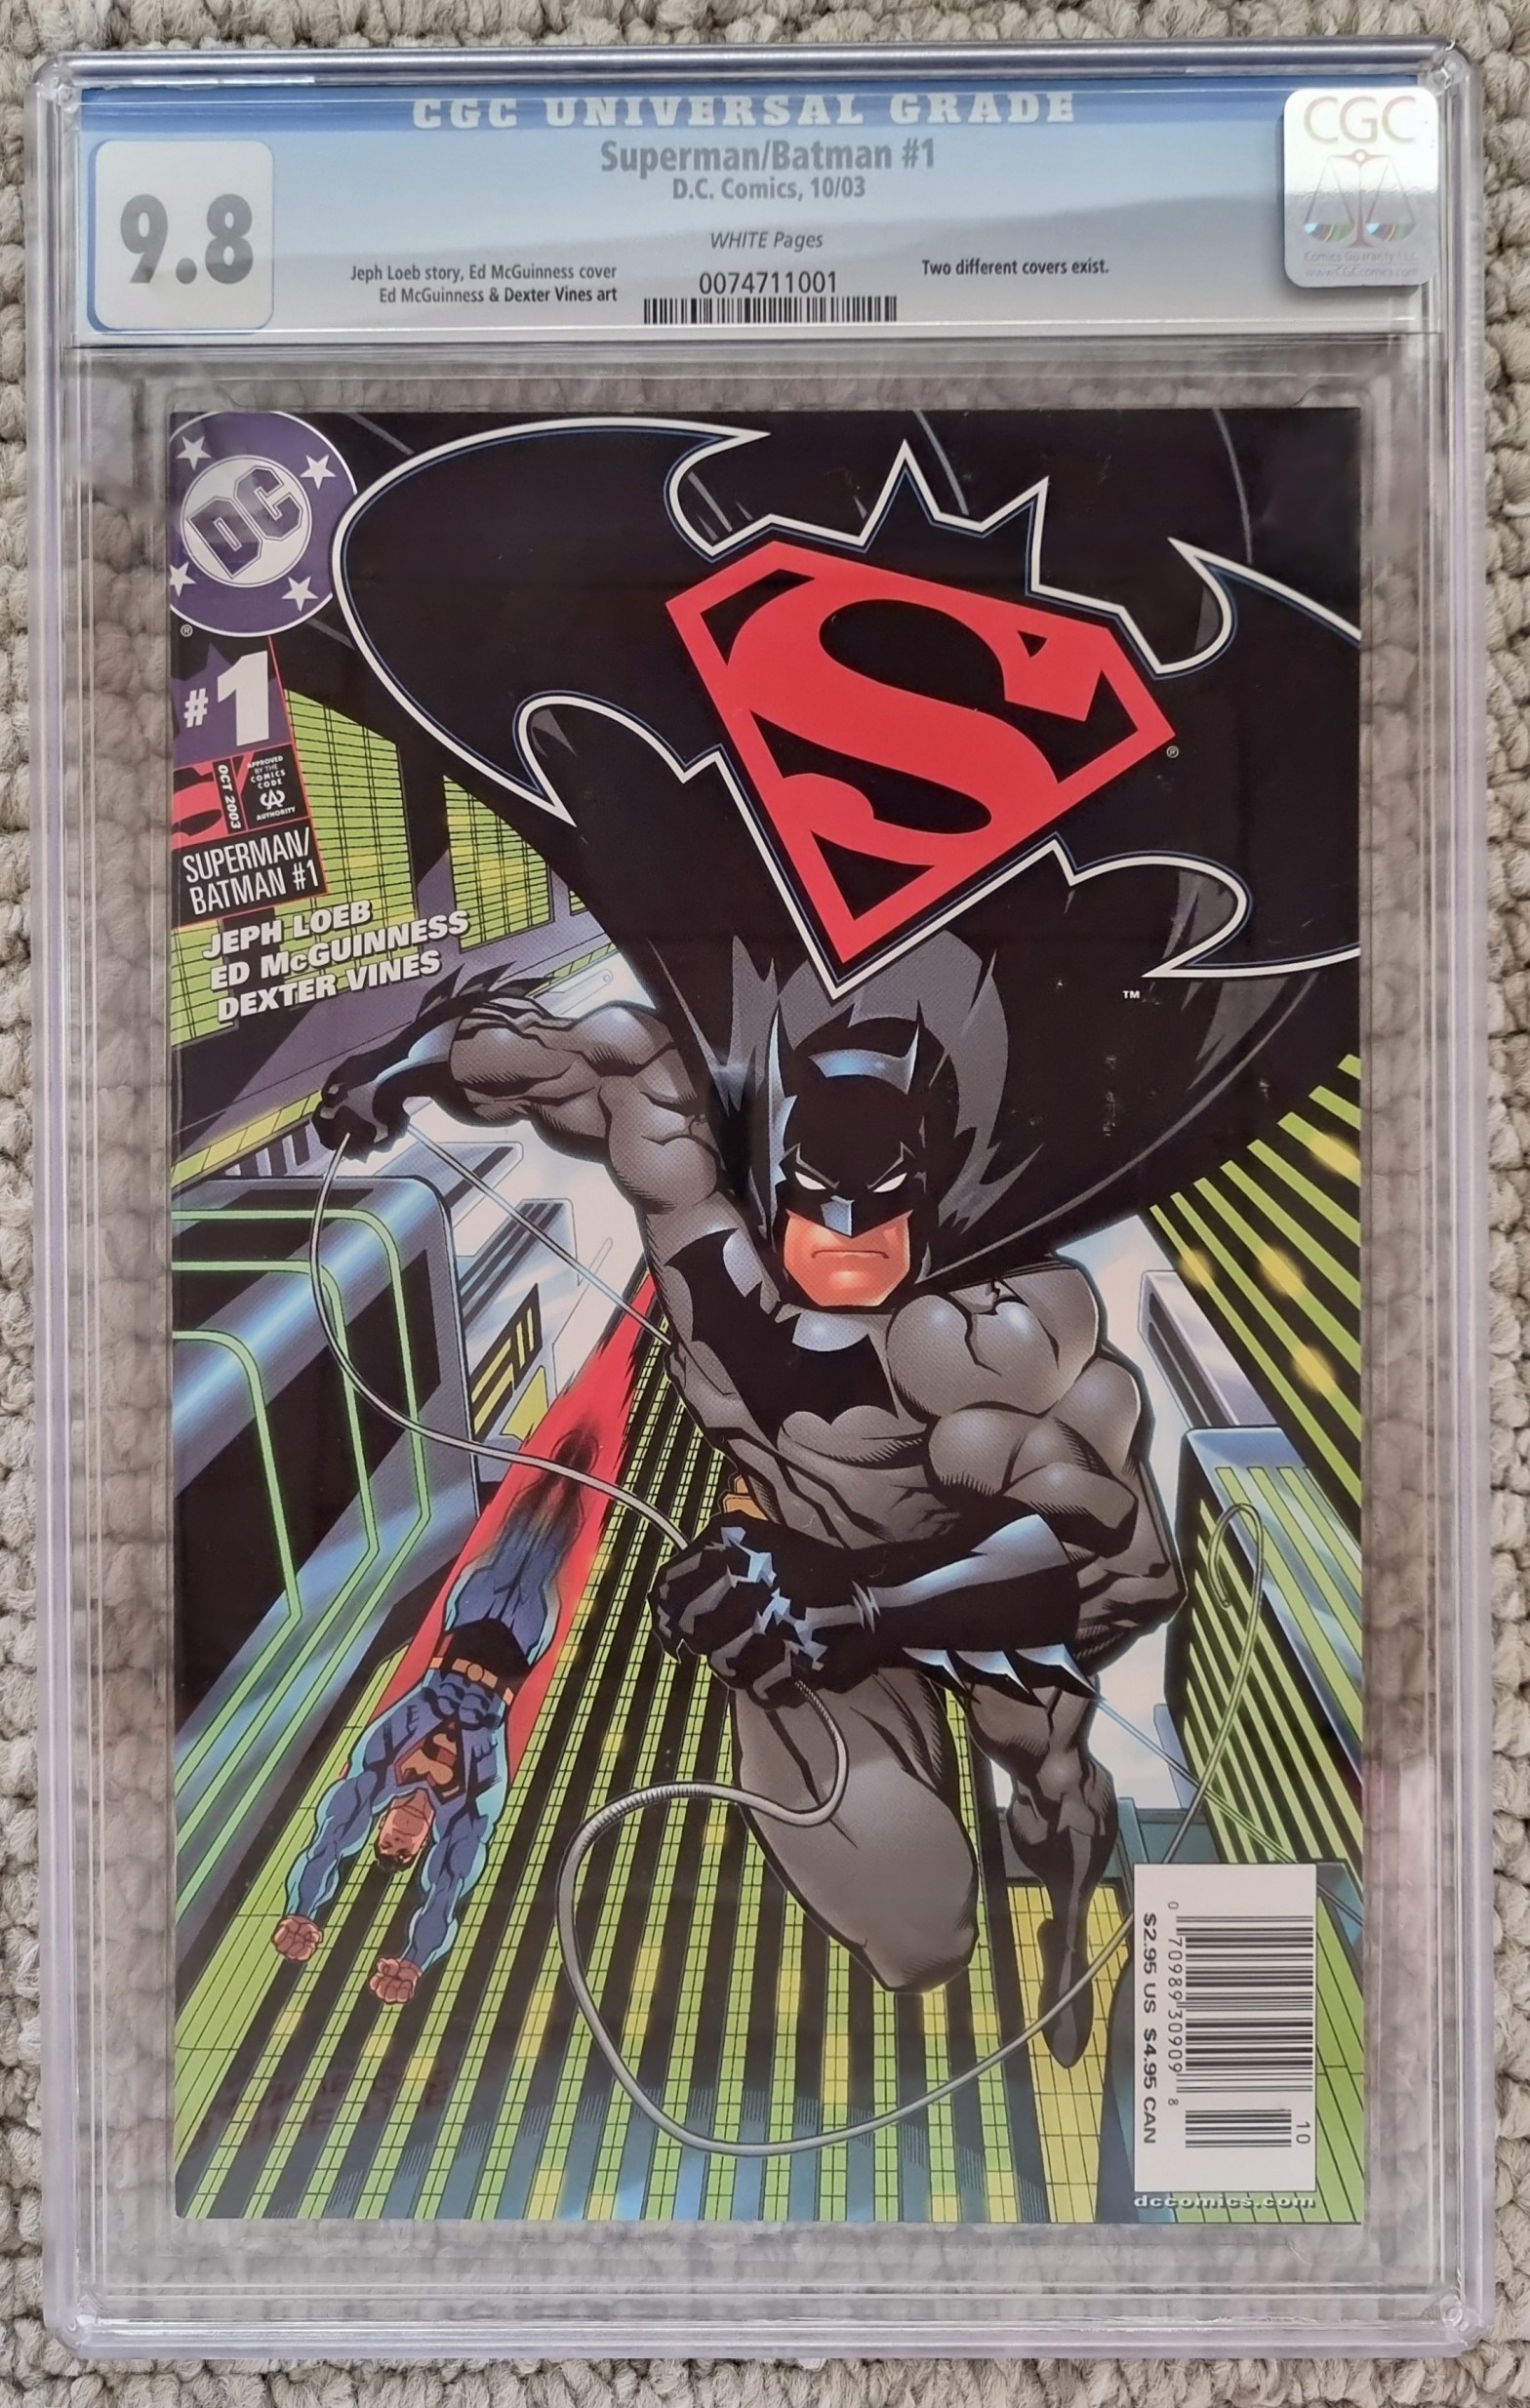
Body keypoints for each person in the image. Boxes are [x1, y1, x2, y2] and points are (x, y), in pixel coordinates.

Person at [314, 981, 1180, 2062]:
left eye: (882, 1207)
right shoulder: (693, 1196)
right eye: (822, 1200)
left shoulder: (991, 1333)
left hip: (980, 1582)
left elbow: (1101, 1543)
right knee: (915, 1935)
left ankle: (1067, 1909)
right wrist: (402, 1067)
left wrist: (867, 1607)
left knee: (1045, 1769)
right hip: (803, 1578)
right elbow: (570, 1055)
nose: (850, 1241)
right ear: (772, 1164)